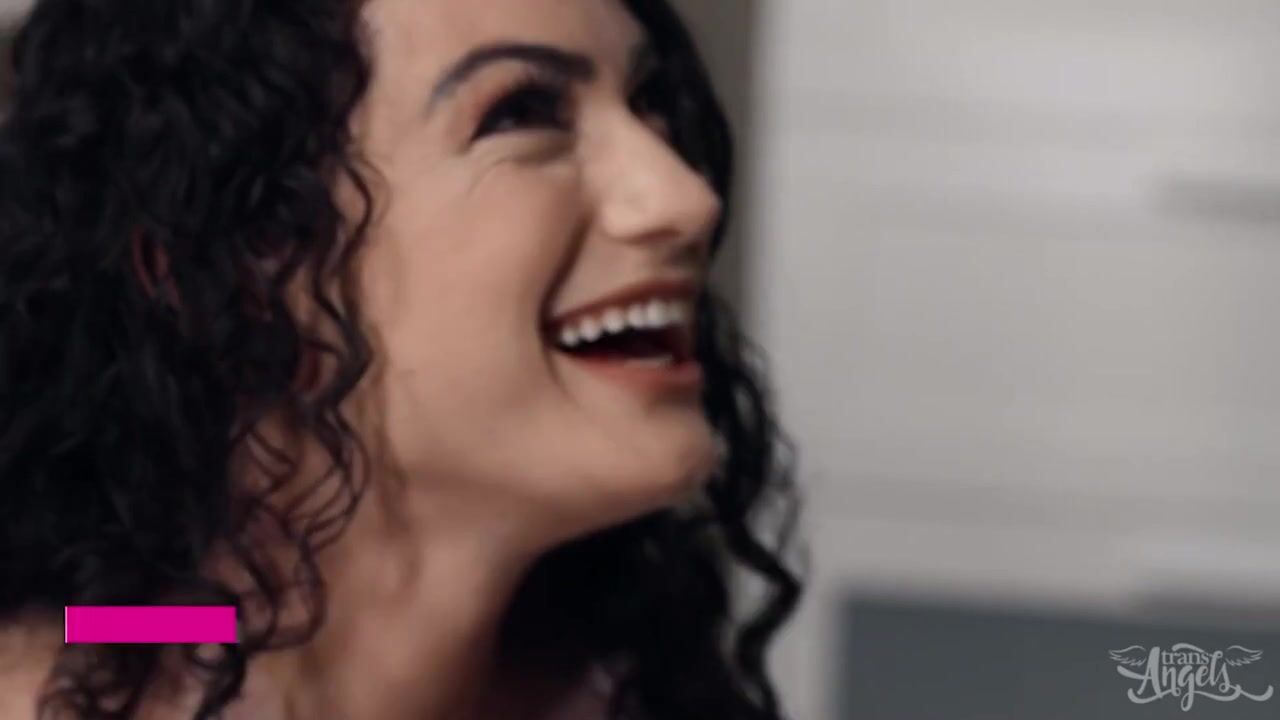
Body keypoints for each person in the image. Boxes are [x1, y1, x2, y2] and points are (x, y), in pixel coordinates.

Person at [0, 0, 802, 718]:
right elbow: (111, 626)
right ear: (238, 268)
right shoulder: (78, 653)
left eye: (648, 100)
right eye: (523, 111)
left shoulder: (628, 677)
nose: (686, 196)